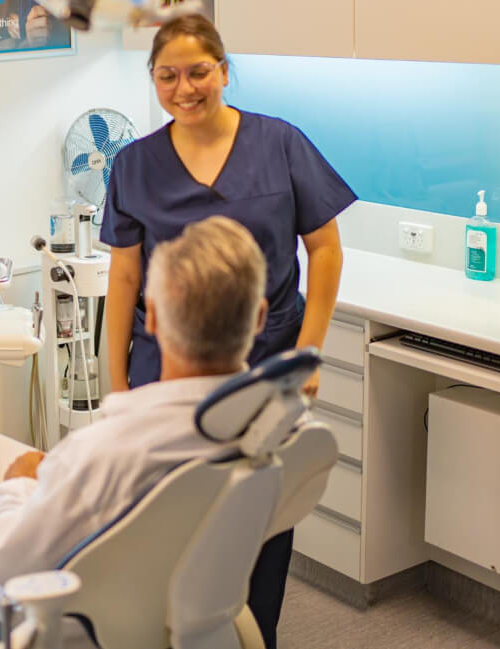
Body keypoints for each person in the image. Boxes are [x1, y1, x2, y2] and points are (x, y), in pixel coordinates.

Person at [0, 217, 267, 609]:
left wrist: (16, 487)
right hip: (157, 577)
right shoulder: (268, 426)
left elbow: (3, 557)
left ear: (151, 317)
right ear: (260, 317)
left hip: (44, 597)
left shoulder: (115, 445)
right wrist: (50, 475)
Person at [98, 15, 354, 648]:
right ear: (153, 79)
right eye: (168, 76)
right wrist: (116, 384)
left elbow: (325, 249)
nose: (184, 88)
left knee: (260, 514)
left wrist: (309, 353)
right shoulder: (133, 165)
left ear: (224, 72)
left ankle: (257, 635)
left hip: (268, 361)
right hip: (166, 368)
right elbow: (124, 278)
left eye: (198, 72)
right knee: (170, 522)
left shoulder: (280, 143)